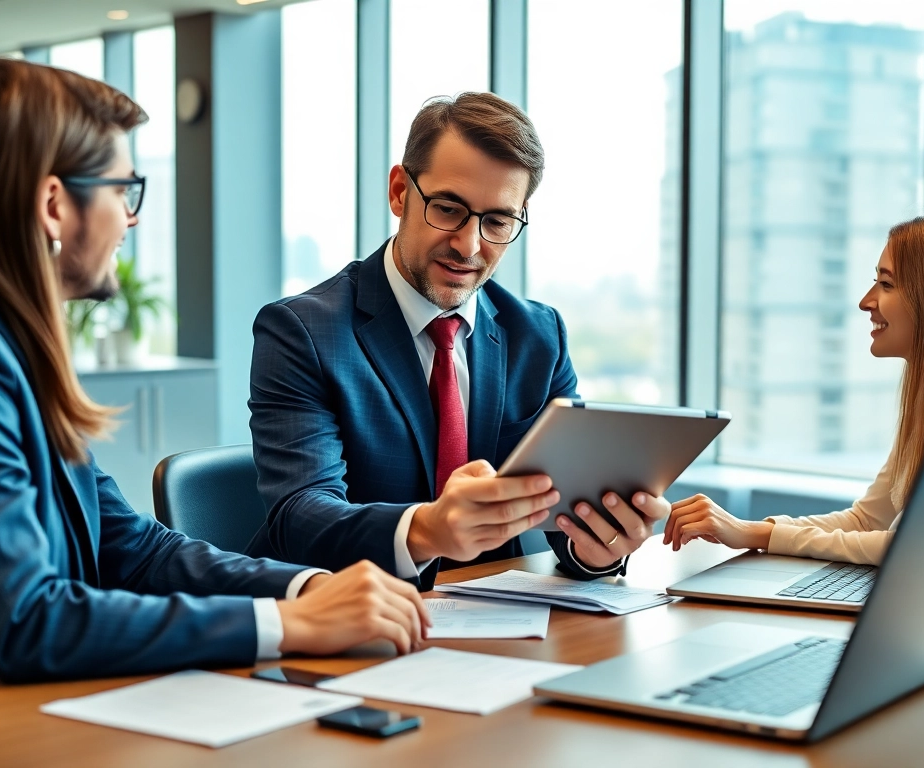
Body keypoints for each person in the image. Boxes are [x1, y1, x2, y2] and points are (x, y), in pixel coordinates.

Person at [0, 59, 429, 686]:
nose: (131, 218)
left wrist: (308, 589)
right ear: (54, 206)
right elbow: (23, 619)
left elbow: (131, 549)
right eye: (122, 190)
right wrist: (290, 626)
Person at [247, 92, 670, 589]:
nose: (469, 245)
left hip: (497, 617)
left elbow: (567, 516)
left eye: (497, 222)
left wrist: (596, 549)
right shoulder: (302, 331)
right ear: (400, 192)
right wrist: (428, 530)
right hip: (353, 610)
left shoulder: (539, 336)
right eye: (448, 209)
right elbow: (300, 516)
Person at [664, 215, 924, 578]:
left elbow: (921, 547)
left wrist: (758, 534)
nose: (866, 302)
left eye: (886, 284)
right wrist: (748, 528)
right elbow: (866, 520)